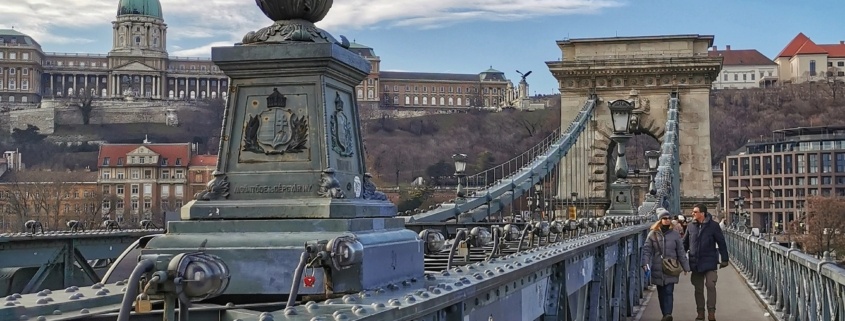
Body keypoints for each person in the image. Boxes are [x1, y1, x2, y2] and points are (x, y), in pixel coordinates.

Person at [683, 204, 730, 321]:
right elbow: (684, 244)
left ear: (702, 213)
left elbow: (721, 242)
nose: (692, 214)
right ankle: (700, 312)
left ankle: (711, 312)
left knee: (710, 285)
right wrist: (681, 259)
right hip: (695, 262)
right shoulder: (690, 226)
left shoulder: (713, 226)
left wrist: (725, 259)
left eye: (695, 212)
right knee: (698, 289)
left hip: (710, 261)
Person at [642, 208, 690, 321]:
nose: (667, 220)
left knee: (669, 291)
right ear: (660, 220)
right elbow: (647, 250)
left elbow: (681, 251)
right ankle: (665, 313)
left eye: (669, 218)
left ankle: (668, 314)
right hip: (658, 267)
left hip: (671, 267)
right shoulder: (652, 234)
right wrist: (645, 263)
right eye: (665, 218)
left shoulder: (675, 234)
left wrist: (685, 267)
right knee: (661, 293)